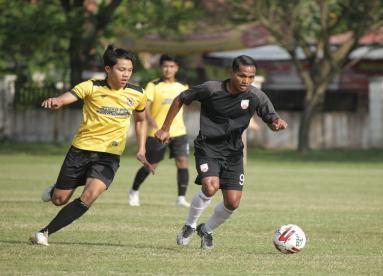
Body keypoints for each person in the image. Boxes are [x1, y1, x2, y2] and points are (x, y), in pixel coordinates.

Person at [155, 55, 288, 250]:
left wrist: (276, 124)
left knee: (233, 203)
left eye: (251, 77)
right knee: (210, 187)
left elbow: (271, 118)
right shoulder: (211, 89)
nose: (246, 81)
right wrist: (165, 128)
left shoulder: (256, 96)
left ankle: (206, 229)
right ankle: (189, 225)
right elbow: (180, 98)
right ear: (231, 73)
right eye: (242, 75)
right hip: (207, 147)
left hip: (234, 154)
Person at [30, 45, 154, 246]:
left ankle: (44, 233)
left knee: (90, 195)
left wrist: (141, 149)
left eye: (129, 70)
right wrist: (57, 101)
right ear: (108, 69)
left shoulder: (138, 93)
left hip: (109, 155)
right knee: (59, 200)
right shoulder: (91, 86)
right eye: (121, 69)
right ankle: (56, 189)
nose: (126, 74)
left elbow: (141, 121)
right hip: (81, 151)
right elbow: (68, 97)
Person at [128, 54, 190, 208]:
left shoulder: (183, 86)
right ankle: (134, 191)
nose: (168, 69)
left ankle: (181, 198)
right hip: (157, 133)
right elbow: (146, 106)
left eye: (171, 66)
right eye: (165, 66)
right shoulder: (153, 85)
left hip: (178, 132)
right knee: (151, 165)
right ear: (161, 68)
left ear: (176, 68)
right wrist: (151, 121)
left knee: (182, 162)